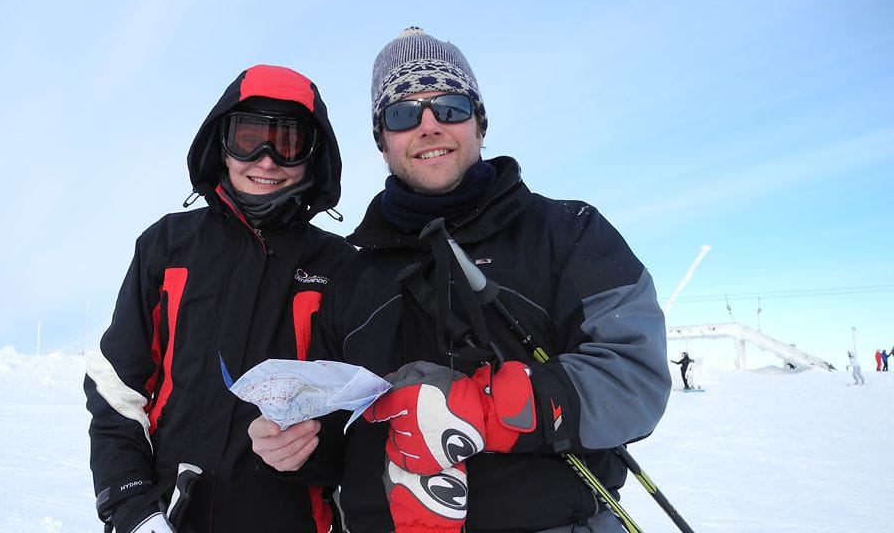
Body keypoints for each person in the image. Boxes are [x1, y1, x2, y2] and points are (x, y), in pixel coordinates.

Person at [251, 28, 671, 533]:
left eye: (449, 107)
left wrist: (485, 410)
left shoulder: (569, 231)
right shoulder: (350, 273)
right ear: (382, 141)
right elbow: (340, 430)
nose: (429, 126)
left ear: (479, 122)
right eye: (403, 114)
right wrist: (297, 445)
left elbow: (634, 378)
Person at [84, 64, 352, 533]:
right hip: (163, 518)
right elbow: (116, 387)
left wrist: (312, 451)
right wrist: (130, 505)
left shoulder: (341, 267)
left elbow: (362, 416)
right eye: (249, 138)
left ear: (313, 157)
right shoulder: (166, 246)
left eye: (288, 143)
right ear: (221, 145)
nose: (267, 160)